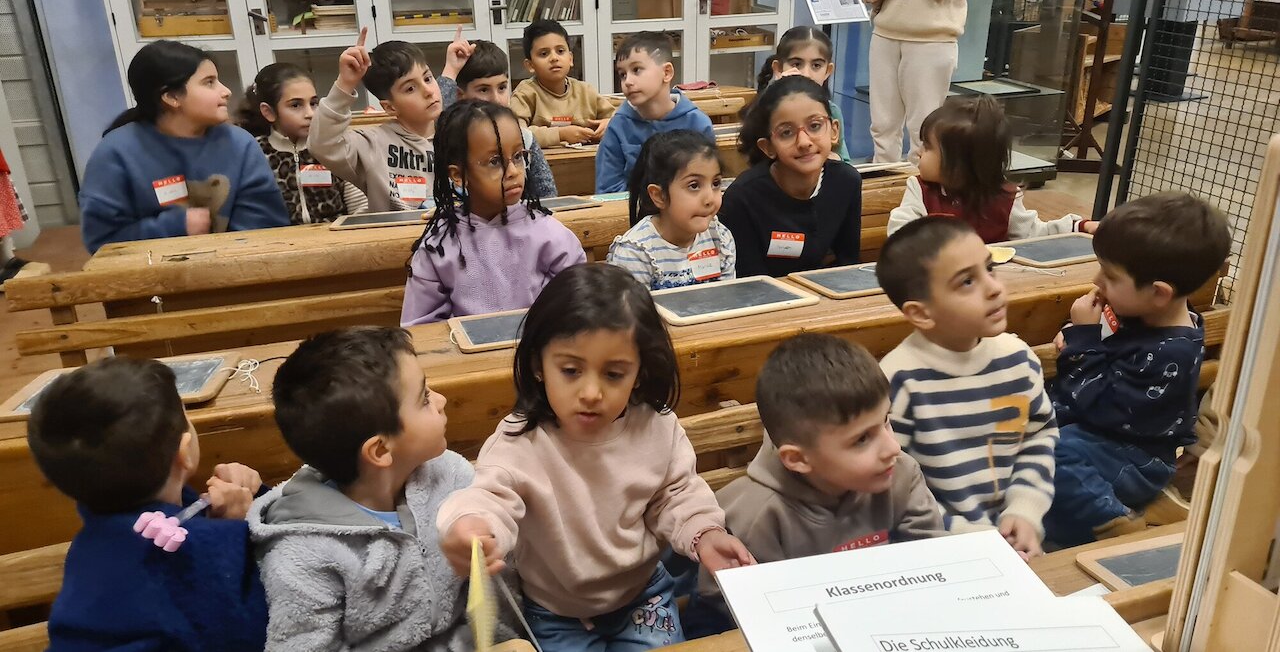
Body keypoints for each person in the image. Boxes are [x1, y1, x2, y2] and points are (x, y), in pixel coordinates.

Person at [438, 262, 754, 651]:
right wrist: (472, 524)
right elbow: (489, 496)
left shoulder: (655, 427)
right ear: (539, 365)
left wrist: (705, 533)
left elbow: (675, 494)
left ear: (638, 373)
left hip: (644, 595)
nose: (591, 392)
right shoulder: (520, 441)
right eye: (571, 370)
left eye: (614, 374)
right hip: (555, 613)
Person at [250, 327, 514, 650]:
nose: (442, 401)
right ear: (380, 451)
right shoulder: (304, 553)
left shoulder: (449, 475)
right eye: (425, 398)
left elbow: (497, 591)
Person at [687, 334, 945, 637]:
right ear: (798, 459)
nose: (892, 448)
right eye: (862, 439)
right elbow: (737, 611)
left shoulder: (900, 474)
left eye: (886, 420)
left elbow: (934, 560)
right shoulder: (756, 516)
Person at [27, 357, 268, 650]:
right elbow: (262, 634)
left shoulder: (93, 542)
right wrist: (244, 531)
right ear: (184, 454)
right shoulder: (207, 552)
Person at [1043, 193, 1231, 546]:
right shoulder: (1146, 316)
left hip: (1134, 458)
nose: (1097, 281)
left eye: (1110, 275)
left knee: (1051, 451)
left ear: (1159, 293)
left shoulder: (1169, 351)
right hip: (1104, 440)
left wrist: (1083, 340)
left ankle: (1116, 520)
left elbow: (1097, 404)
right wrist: (1080, 333)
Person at [876, 216, 1058, 556]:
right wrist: (966, 536)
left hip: (1014, 541)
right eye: (967, 282)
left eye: (990, 268)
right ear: (921, 313)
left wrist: (1025, 511)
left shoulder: (1017, 359)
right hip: (933, 548)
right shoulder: (899, 382)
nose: (993, 288)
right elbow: (890, 485)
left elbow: (1038, 436)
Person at [79, 40, 288, 253]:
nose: (226, 91)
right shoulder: (115, 153)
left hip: (235, 273)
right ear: (171, 97)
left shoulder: (240, 144)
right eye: (209, 82)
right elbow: (103, 242)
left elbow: (266, 226)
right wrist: (175, 227)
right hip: (150, 279)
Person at [400, 100, 584, 325]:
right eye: (495, 161)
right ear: (458, 175)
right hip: (466, 358)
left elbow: (578, 312)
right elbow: (421, 328)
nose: (514, 172)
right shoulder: (439, 244)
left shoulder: (551, 235)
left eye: (518, 156)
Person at [887, 96, 1097, 242]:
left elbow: (1033, 234)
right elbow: (899, 233)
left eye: (928, 146)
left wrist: (1078, 227)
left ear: (960, 164)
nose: (918, 152)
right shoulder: (920, 190)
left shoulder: (1005, 196)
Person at [719, 76, 862, 277]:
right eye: (786, 132)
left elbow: (848, 264)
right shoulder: (742, 198)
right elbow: (747, 282)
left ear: (834, 131)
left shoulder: (846, 182)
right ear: (767, 147)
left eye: (815, 126)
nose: (804, 142)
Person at [310, 28, 440, 211]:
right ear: (389, 107)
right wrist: (345, 84)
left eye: (427, 78)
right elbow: (322, 144)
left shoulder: (460, 135)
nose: (428, 91)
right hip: (396, 237)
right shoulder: (371, 144)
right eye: (410, 88)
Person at [238, 62, 369, 223]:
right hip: (281, 244)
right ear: (269, 112)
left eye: (313, 103)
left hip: (337, 240)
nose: (310, 113)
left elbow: (361, 207)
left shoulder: (332, 146)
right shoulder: (253, 154)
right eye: (296, 105)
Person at [606, 130, 736, 290]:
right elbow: (636, 313)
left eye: (716, 183)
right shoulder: (635, 254)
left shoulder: (720, 237)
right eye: (694, 186)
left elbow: (727, 303)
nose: (710, 198)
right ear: (659, 196)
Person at [436, 30, 558, 198]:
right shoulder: (451, 140)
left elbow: (548, 198)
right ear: (459, 95)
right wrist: (450, 71)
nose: (496, 99)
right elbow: (440, 116)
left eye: (502, 88)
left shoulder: (525, 139)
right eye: (484, 89)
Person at [596, 32, 716, 194]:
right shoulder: (618, 126)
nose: (628, 82)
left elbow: (708, 182)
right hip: (634, 214)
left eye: (637, 70)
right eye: (622, 75)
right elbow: (608, 189)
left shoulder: (698, 123)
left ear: (666, 73)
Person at [862, 0, 969, 163]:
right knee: (882, 125)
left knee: (923, 129)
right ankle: (884, 181)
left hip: (933, 39)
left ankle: (920, 187)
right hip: (884, 33)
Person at [510, 19, 617, 148]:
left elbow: (618, 120)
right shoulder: (525, 93)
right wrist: (560, 134)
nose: (554, 58)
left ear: (570, 58)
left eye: (560, 51)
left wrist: (609, 124)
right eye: (544, 54)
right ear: (530, 65)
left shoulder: (586, 91)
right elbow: (516, 134)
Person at [756, 26, 851, 163]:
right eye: (796, 64)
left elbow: (844, 161)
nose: (806, 74)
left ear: (828, 71)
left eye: (816, 65)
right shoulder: (764, 110)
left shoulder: (833, 111)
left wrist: (832, 158)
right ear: (778, 69)